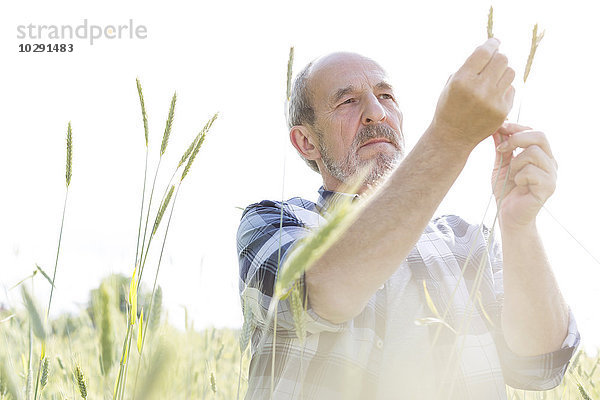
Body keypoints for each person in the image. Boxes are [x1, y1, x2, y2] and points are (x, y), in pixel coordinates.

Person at [236, 38, 580, 399]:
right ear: (306, 141)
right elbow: (318, 295)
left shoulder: (466, 241)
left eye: (386, 97)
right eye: (348, 101)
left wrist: (519, 225)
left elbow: (541, 366)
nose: (376, 113)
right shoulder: (274, 222)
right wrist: (451, 138)